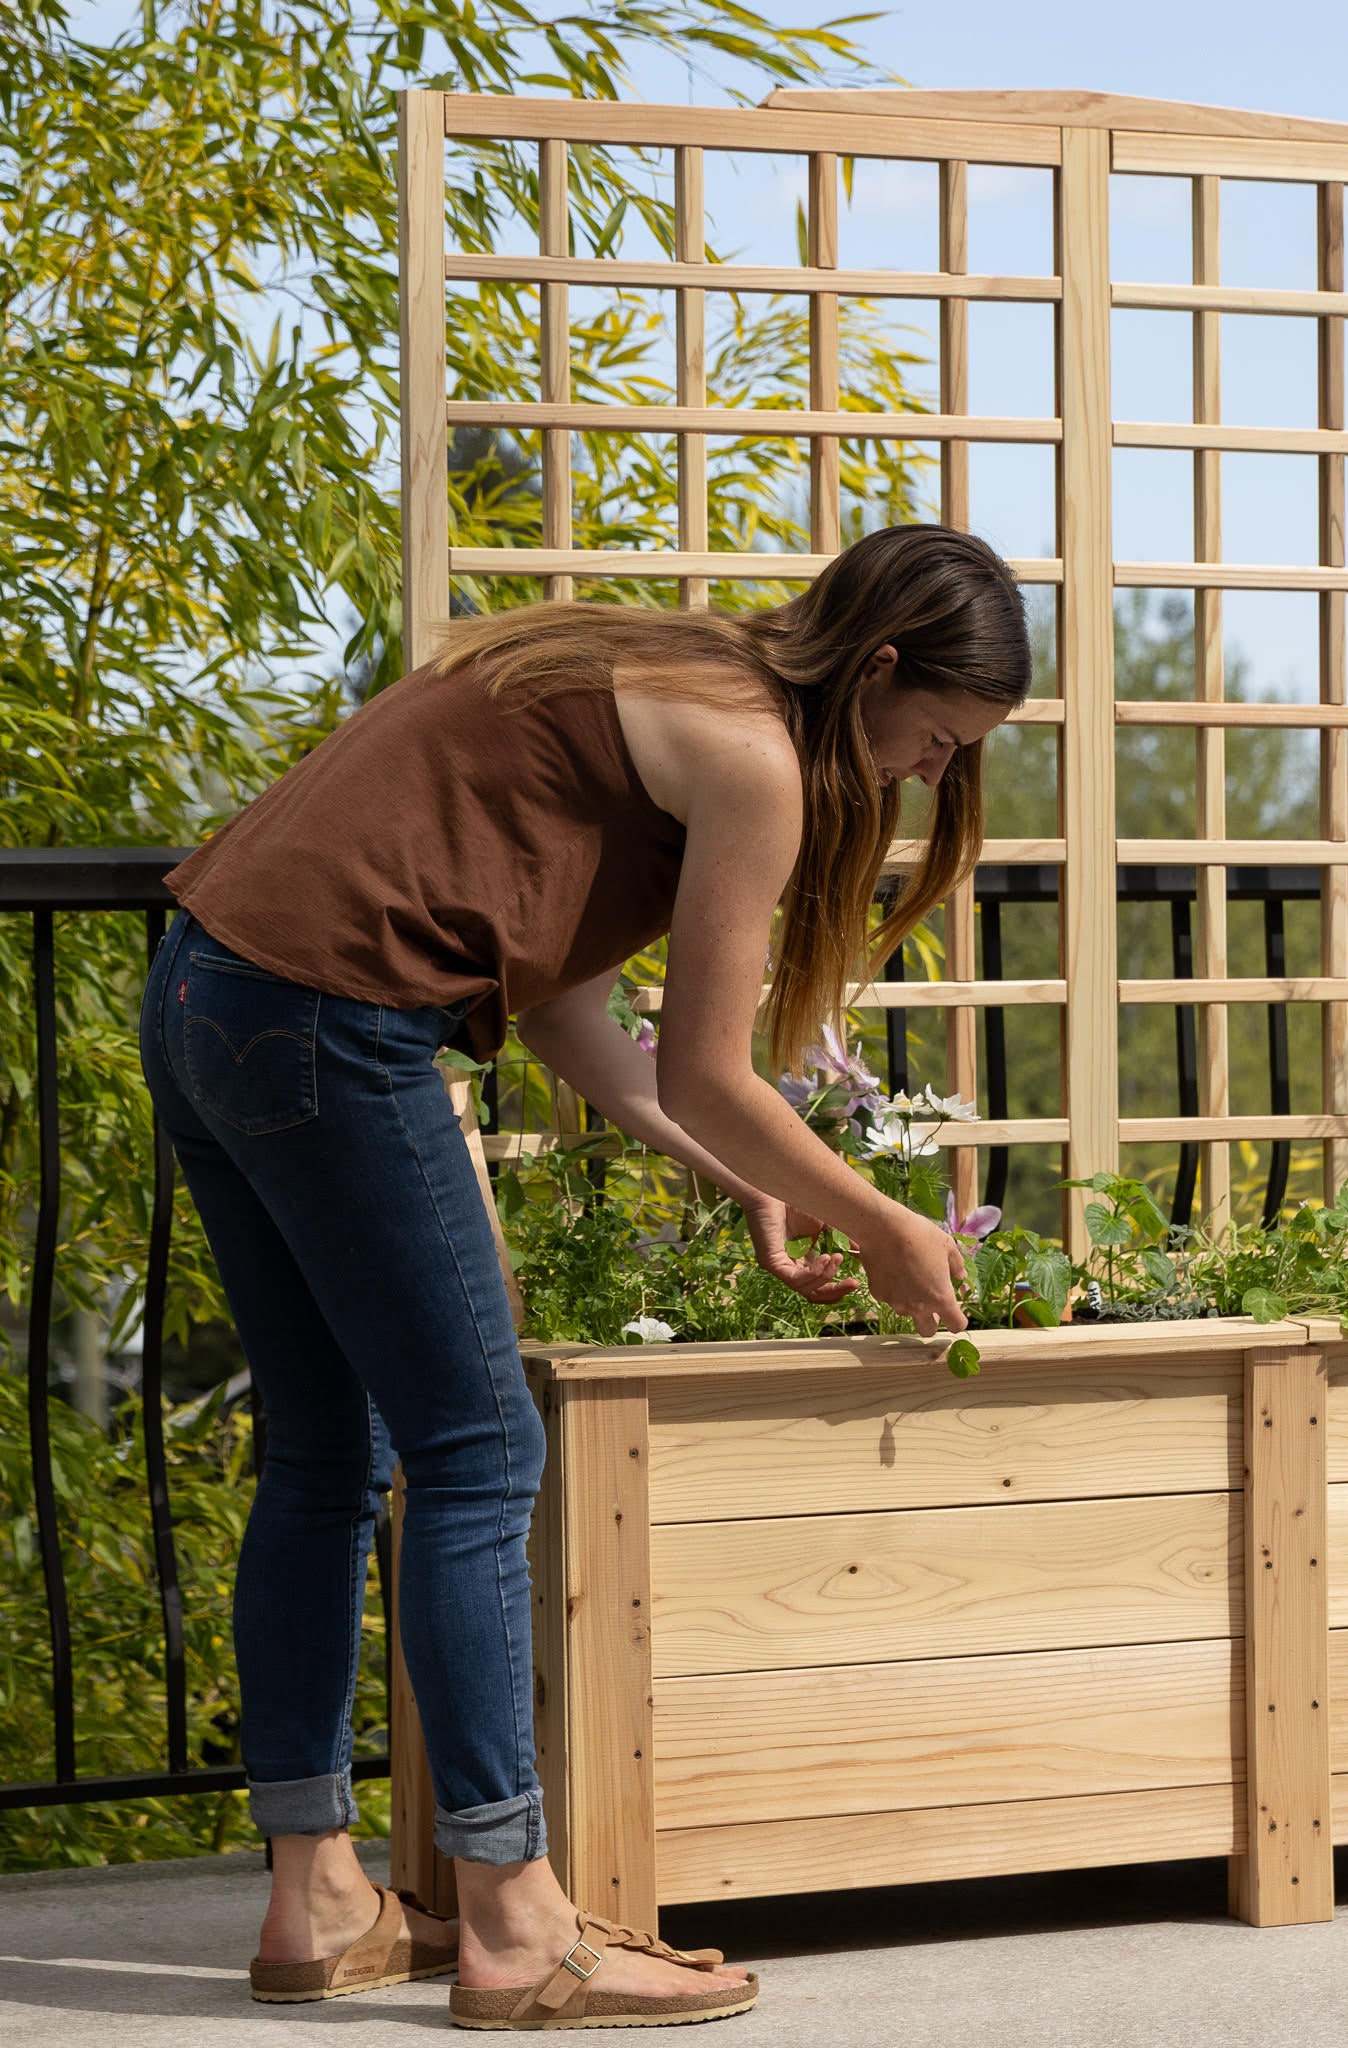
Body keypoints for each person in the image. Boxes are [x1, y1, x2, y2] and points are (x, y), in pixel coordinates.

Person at [138, 524, 1028, 2028]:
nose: (934, 775)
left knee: (325, 1454)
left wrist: (755, 1182)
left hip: (206, 989)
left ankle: (318, 1899)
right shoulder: (755, 754)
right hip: (331, 1019)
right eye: (937, 738)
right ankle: (514, 1922)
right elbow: (707, 1068)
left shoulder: (663, 671)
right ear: (877, 669)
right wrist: (885, 1222)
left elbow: (568, 1020)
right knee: (482, 1452)